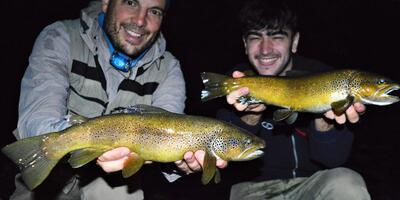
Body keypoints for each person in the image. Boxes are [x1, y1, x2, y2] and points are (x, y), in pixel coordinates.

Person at [11, 0, 226, 199]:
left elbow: (168, 132)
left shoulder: (169, 68)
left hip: (117, 180)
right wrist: (82, 142)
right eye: (131, 2)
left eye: (154, 11)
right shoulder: (60, 36)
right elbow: (37, 118)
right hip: (52, 172)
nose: (140, 21)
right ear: (106, 2)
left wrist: (181, 162)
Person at [216, 0, 371, 199]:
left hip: (311, 184)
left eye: (277, 37)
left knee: (347, 183)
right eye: (255, 37)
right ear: (245, 45)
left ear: (295, 42)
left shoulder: (325, 77)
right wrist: (249, 115)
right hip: (252, 189)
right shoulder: (234, 83)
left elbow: (333, 161)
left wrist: (325, 120)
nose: (265, 49)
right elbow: (224, 158)